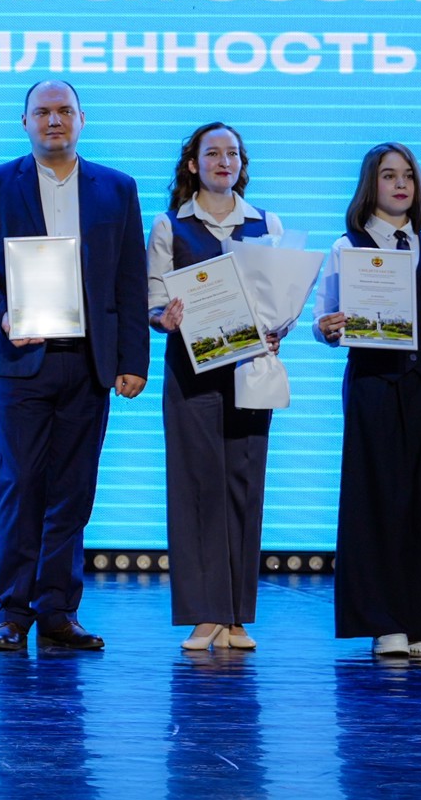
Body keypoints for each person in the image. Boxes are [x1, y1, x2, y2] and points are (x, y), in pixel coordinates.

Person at [0, 79, 149, 653]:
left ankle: (58, 610)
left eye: (65, 111)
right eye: (42, 112)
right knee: (19, 486)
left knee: (74, 490)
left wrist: (133, 360)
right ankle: (13, 611)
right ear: (25, 122)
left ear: (82, 119)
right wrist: (4, 315)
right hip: (22, 359)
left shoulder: (117, 188)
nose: (54, 120)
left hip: (90, 362)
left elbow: (130, 281)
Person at [313, 142, 421, 658]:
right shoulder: (347, 246)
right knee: (376, 499)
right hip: (373, 386)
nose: (400, 184)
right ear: (370, 184)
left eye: (408, 176)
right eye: (388, 175)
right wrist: (327, 328)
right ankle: (384, 621)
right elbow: (324, 317)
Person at [146, 123, 282, 651]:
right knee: (196, 487)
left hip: (249, 369)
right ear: (193, 164)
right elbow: (153, 300)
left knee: (245, 485)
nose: (224, 161)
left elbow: (279, 297)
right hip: (190, 370)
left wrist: (280, 326)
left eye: (233, 153)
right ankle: (206, 614)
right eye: (213, 153)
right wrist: (164, 318)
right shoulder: (170, 225)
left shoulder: (266, 223)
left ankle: (237, 615)